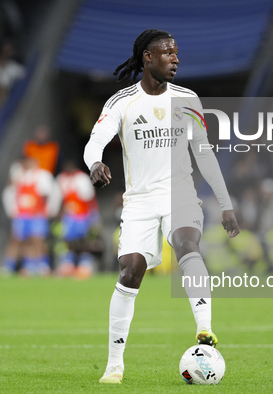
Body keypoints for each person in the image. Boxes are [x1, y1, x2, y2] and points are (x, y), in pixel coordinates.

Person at [83, 29, 239, 384]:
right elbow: (96, 143)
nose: (175, 58)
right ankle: (114, 365)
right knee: (130, 271)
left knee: (187, 245)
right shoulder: (122, 102)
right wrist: (95, 164)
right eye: (167, 52)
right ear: (147, 58)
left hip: (180, 193)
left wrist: (225, 203)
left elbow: (204, 153)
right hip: (139, 200)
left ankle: (205, 330)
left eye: (177, 52)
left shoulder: (188, 98)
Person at [55, 159, 98, 276]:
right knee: (68, 240)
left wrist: (94, 216)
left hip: (82, 215)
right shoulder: (62, 179)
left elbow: (89, 198)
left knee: (84, 240)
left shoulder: (82, 178)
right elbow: (62, 199)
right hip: (69, 216)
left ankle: (85, 264)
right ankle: (68, 263)